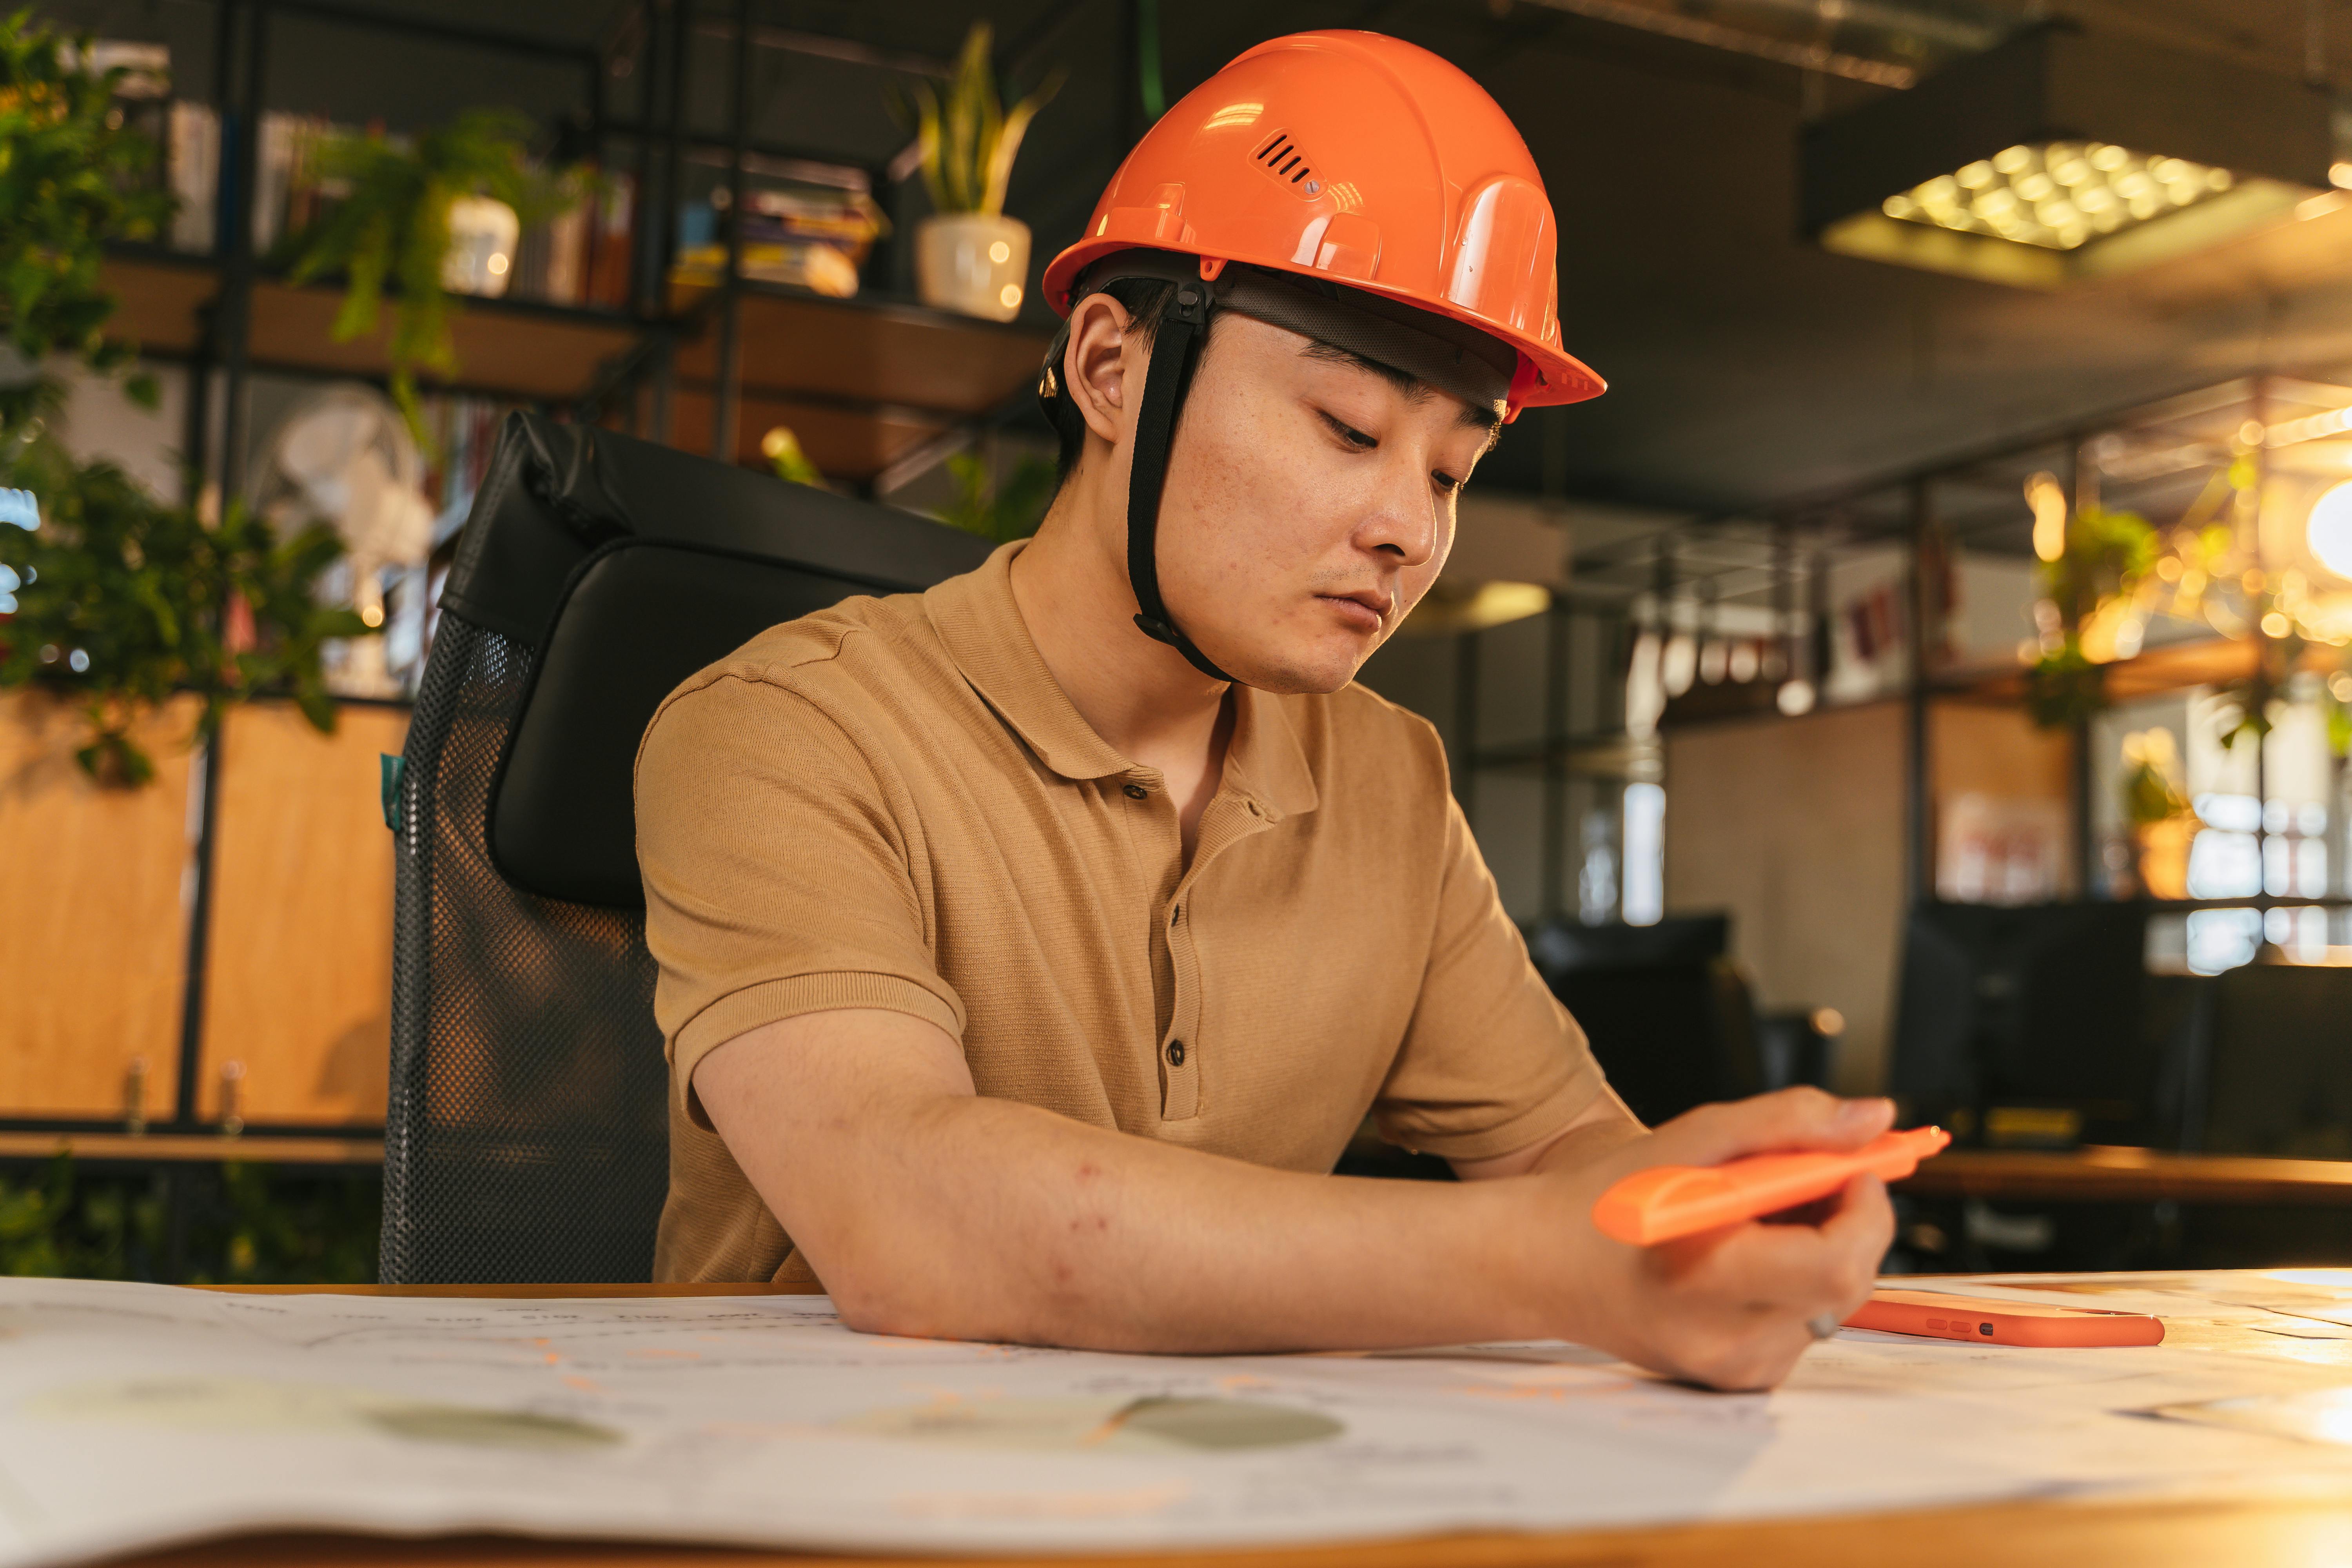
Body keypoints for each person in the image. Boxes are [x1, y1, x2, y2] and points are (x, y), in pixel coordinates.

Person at [634, 28, 1894, 1390]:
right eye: (1349, 429)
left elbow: (1563, 1157)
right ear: (1111, 371)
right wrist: (1543, 1258)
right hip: (805, 1477)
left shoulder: (1389, 782)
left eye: (1452, 473)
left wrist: (1711, 1225)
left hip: (1225, 1475)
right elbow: (907, 1220)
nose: (1411, 528)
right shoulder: (784, 730)